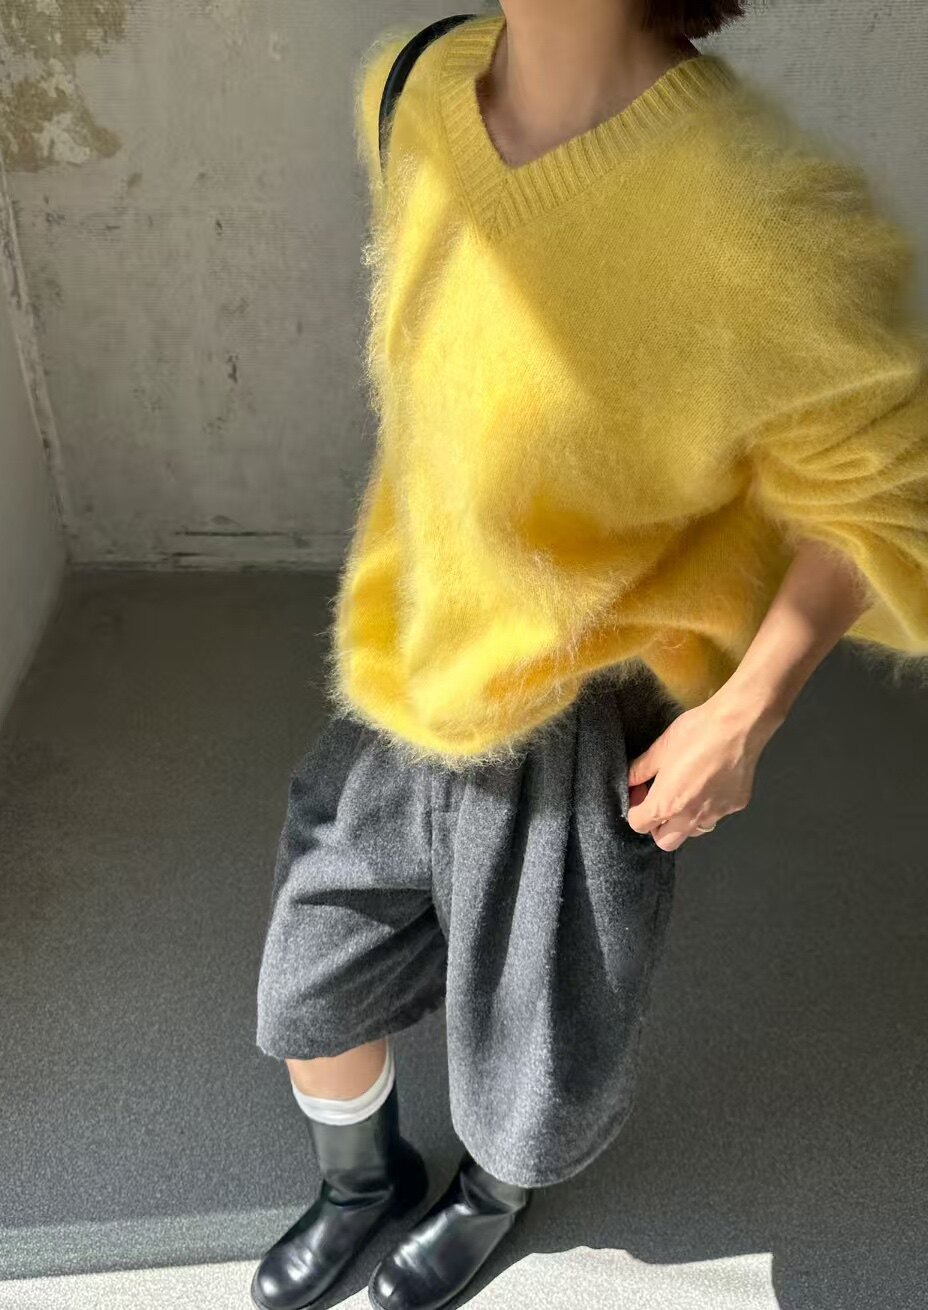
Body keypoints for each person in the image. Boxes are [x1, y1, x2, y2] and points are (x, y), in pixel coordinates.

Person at [251, 3, 928, 1308]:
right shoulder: (416, 83)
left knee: (537, 1043)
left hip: (577, 714)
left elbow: (888, 494)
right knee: (312, 974)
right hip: (412, 668)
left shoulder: (754, 206)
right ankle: (359, 1179)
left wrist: (744, 713)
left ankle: (490, 1193)